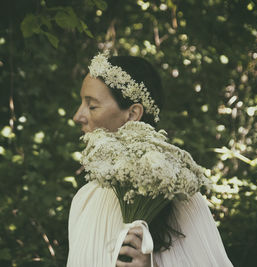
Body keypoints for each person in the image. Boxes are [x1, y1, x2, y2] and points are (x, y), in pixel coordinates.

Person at [67, 51, 233, 267]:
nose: (78, 116)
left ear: (133, 113)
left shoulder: (179, 195)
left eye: (92, 105)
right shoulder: (84, 199)